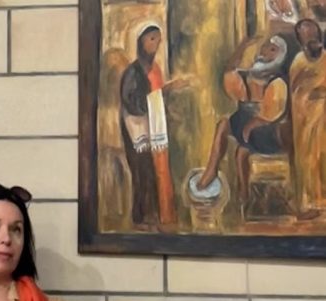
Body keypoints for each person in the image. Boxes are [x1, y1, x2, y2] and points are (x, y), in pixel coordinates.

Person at [194, 36, 290, 202]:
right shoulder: (251, 74)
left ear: (280, 56)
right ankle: (211, 171)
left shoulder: (278, 81)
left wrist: (253, 124)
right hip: (246, 127)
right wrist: (242, 46)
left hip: (267, 133)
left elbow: (272, 113)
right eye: (266, 46)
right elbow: (230, 72)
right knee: (223, 125)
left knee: (241, 152)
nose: (266, 51)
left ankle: (243, 193)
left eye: (273, 49)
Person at [120, 24, 187, 231]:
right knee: (142, 173)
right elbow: (132, 102)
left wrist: (168, 107)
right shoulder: (132, 72)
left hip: (154, 128)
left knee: (155, 173)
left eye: (158, 39)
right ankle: (140, 219)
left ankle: (157, 217)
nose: (155, 44)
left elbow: (156, 100)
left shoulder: (155, 68)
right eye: (151, 39)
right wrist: (165, 90)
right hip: (137, 131)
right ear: (141, 41)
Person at [289, 19, 326, 220]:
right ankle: (309, 204)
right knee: (308, 161)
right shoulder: (298, 62)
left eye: (315, 37)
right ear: (301, 42)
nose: (313, 42)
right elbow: (295, 91)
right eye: (308, 38)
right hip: (305, 120)